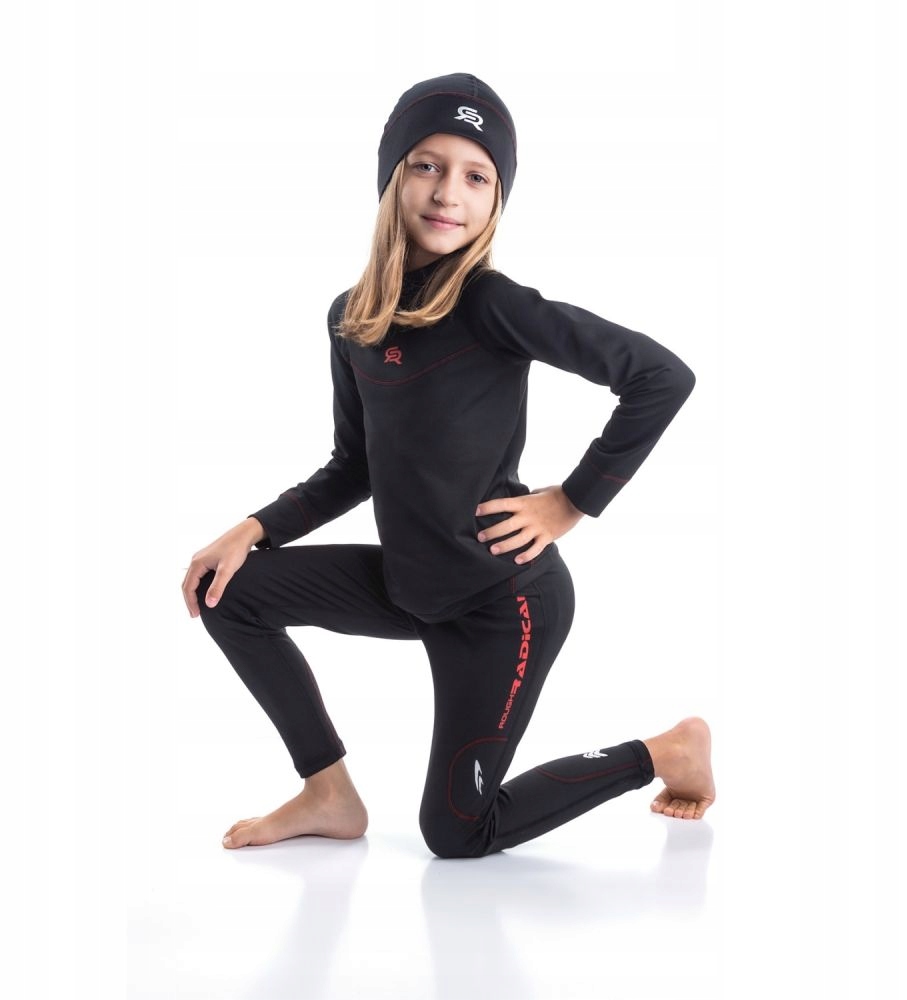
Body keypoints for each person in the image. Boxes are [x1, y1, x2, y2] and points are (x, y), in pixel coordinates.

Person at [181, 73, 715, 859]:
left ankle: (666, 751)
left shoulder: (494, 305)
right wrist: (251, 530)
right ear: (393, 177)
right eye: (427, 166)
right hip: (410, 583)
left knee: (459, 832)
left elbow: (661, 376)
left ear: (496, 200)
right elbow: (354, 464)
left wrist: (569, 502)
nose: (447, 193)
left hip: (503, 599)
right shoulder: (351, 318)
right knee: (223, 590)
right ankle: (328, 792)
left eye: (476, 176)